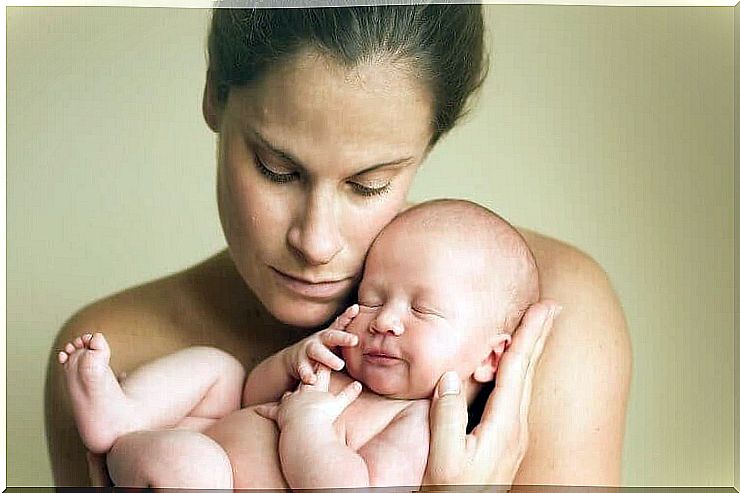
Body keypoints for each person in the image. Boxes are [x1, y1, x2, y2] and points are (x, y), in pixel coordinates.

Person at [45, 5, 631, 487]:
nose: (315, 242)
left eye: (369, 184)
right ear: (214, 98)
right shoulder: (115, 348)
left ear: (429, 144)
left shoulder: (551, 313)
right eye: (277, 169)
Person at [56, 199, 541, 489]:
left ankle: (126, 446)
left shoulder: (418, 426)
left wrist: (307, 424)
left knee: (196, 468)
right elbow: (251, 395)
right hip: (200, 428)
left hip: (208, 473)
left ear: (490, 357)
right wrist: (292, 361)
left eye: (422, 311)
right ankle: (122, 415)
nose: (385, 322)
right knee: (220, 369)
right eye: (371, 299)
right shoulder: (342, 362)